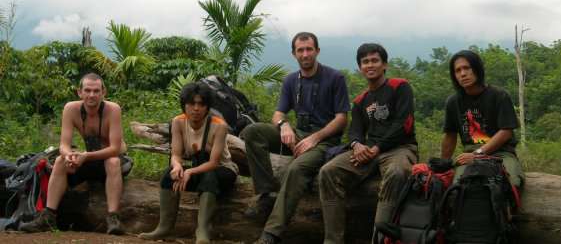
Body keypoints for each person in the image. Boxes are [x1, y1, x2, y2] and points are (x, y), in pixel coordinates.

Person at [244, 32, 350, 244]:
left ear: (317, 51)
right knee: (253, 132)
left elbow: (341, 119)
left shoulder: (334, 77)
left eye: (309, 49)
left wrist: (316, 138)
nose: (305, 54)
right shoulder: (291, 80)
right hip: (300, 133)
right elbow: (278, 114)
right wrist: (284, 126)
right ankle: (268, 193)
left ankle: (271, 234)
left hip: (325, 140)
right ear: (293, 54)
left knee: (296, 169)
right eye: (300, 50)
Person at [319, 43, 418, 244]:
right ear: (359, 67)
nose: (369, 65)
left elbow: (404, 124)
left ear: (384, 65)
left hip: (399, 148)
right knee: (328, 172)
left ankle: (379, 240)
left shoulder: (399, 86)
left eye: (374, 60)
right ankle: (332, 241)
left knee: (397, 173)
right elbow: (354, 130)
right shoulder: (360, 100)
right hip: (368, 151)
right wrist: (356, 145)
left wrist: (377, 147)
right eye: (365, 62)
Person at [21, 73, 131, 235]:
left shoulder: (113, 109)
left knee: (112, 161)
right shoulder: (71, 109)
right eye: (87, 90)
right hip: (89, 160)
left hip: (116, 162)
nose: (91, 95)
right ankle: (48, 216)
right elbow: (64, 145)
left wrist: (85, 156)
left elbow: (115, 149)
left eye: (96, 91)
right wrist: (69, 156)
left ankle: (113, 218)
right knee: (59, 160)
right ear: (79, 92)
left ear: (103, 93)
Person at [140, 82, 238, 244]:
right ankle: (165, 228)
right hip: (199, 169)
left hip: (223, 170)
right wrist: (178, 167)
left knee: (210, 177)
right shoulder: (178, 122)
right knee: (168, 174)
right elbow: (176, 155)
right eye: (191, 103)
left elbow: (214, 163)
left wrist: (190, 172)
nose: (196, 108)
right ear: (184, 105)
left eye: (201, 104)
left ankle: (203, 232)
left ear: (207, 107)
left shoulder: (219, 126)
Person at [440, 49, 524, 188]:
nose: (463, 74)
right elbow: (450, 135)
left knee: (511, 183)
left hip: (501, 153)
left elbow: (506, 132)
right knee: (459, 187)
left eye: (467, 68)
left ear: (477, 69)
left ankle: (509, 210)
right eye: (458, 70)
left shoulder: (499, 95)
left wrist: (477, 154)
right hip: (468, 155)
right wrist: (442, 165)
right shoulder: (453, 102)